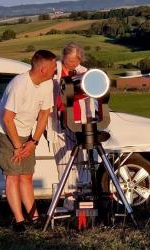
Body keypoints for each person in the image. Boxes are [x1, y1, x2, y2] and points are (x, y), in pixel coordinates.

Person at [0, 50, 57, 231]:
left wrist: (33, 142)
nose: (55, 69)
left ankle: (34, 217)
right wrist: (18, 146)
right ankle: (19, 221)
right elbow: (7, 119)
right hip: (6, 131)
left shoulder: (47, 83)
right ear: (43, 69)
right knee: (13, 175)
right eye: (53, 66)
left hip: (26, 132)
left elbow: (44, 113)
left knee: (27, 175)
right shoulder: (19, 85)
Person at [47, 42, 92, 210]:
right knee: (64, 164)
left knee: (82, 163)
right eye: (70, 60)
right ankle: (69, 203)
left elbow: (89, 100)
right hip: (59, 123)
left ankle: (83, 201)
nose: (73, 64)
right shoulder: (54, 71)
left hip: (80, 122)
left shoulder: (83, 73)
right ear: (63, 56)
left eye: (76, 60)